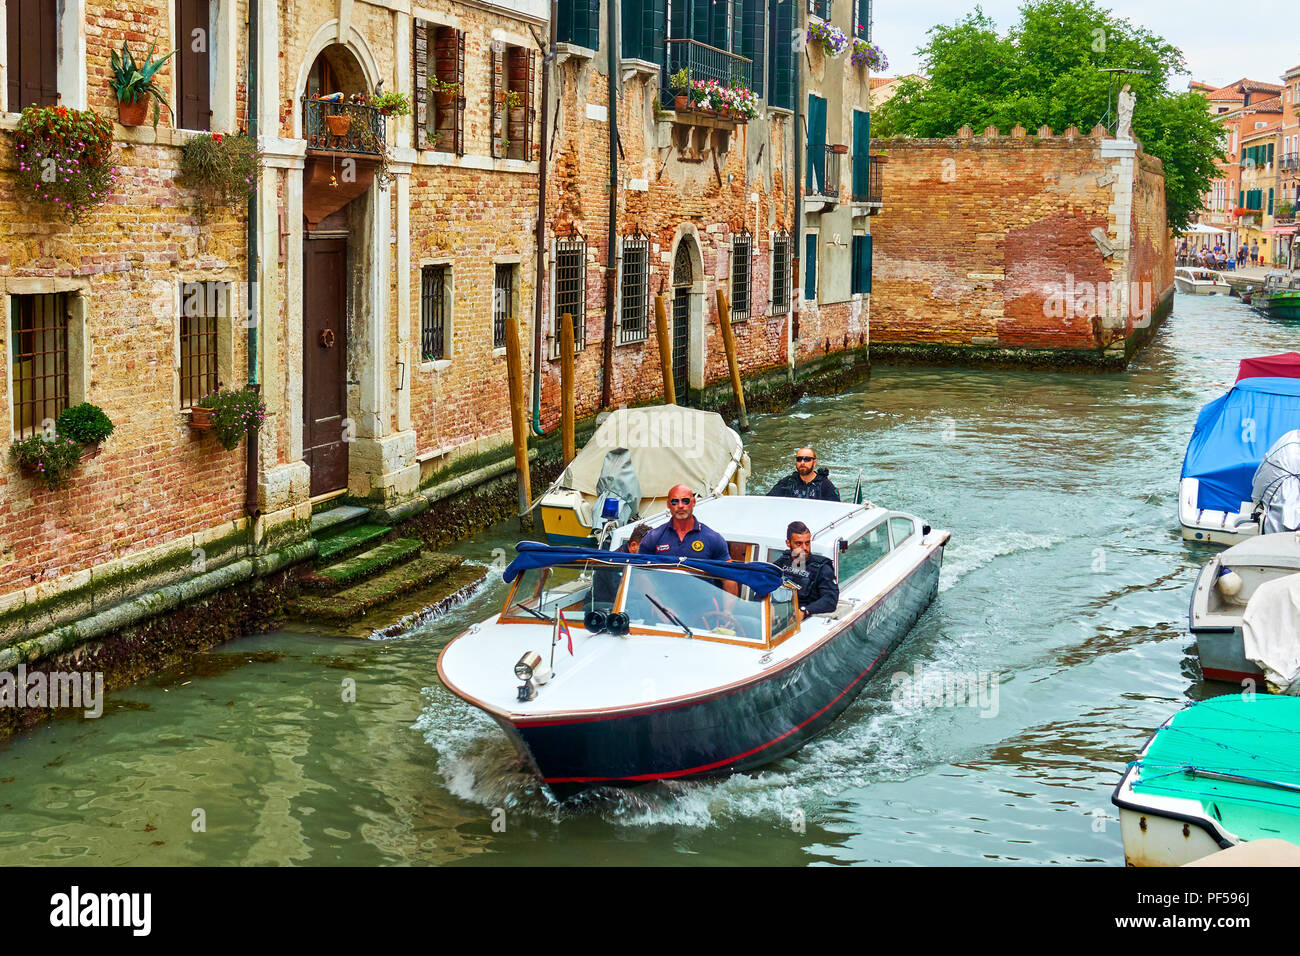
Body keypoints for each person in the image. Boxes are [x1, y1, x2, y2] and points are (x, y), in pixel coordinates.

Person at [637, 486, 730, 560]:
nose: (680, 506)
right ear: (668, 504)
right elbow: (639, 572)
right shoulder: (652, 537)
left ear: (693, 502)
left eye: (685, 501)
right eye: (675, 502)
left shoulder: (714, 539)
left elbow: (728, 576)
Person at [772, 521, 839, 622]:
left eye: (807, 543)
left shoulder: (822, 568)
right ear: (788, 543)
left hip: (806, 619)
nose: (804, 548)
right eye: (799, 543)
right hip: (779, 616)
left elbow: (830, 600)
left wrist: (805, 611)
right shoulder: (782, 562)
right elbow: (765, 584)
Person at [767, 447, 840, 501]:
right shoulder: (787, 482)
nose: (802, 462)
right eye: (799, 459)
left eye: (807, 459)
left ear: (814, 462)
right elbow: (768, 501)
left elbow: (835, 509)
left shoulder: (825, 485)